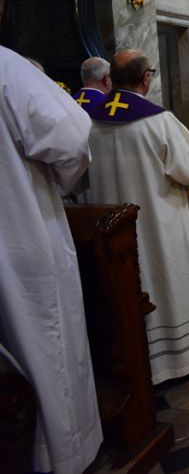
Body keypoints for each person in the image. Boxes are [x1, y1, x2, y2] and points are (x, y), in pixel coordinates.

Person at [0, 45, 102, 474]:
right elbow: (71, 136)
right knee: (43, 342)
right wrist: (61, 184)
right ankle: (60, 457)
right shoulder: (7, 66)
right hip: (19, 229)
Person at [87, 50, 189, 385]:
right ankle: (175, 363)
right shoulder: (159, 121)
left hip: (108, 234)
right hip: (157, 228)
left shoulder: (89, 121)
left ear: (111, 79)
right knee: (163, 285)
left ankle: (129, 361)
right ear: (145, 78)